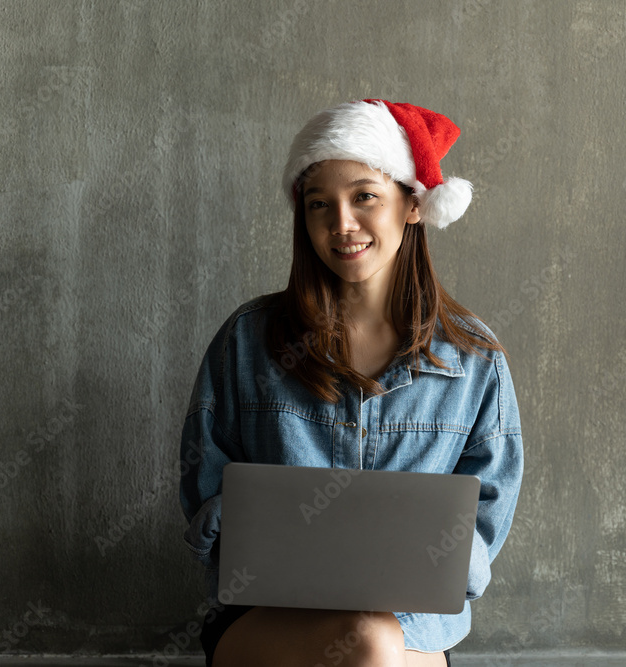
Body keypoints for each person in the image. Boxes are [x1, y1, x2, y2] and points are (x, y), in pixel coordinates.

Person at [178, 99, 524, 667]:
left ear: (412, 205)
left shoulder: (473, 360)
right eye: (319, 205)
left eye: (364, 196)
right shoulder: (248, 340)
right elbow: (204, 498)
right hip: (270, 622)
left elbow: (481, 526)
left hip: (411, 632)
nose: (341, 224)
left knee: (374, 639)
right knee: (368, 642)